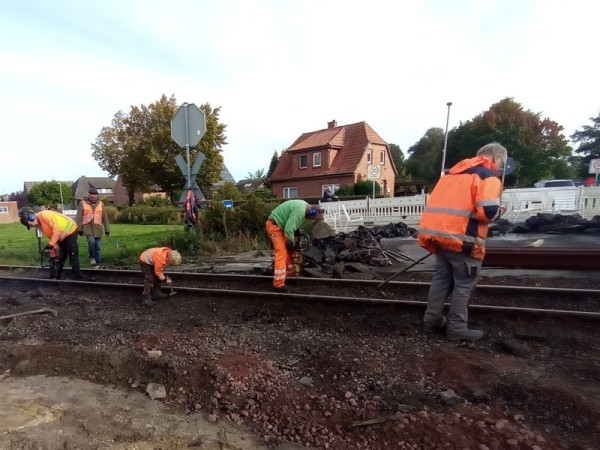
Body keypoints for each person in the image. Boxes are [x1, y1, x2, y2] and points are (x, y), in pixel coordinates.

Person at [418, 142, 507, 341]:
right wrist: (499, 212)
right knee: (464, 284)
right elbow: (486, 213)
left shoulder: (451, 175)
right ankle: (457, 330)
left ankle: (430, 321)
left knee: (441, 279)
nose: (501, 168)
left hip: (438, 238)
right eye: (501, 163)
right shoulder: (487, 176)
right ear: (497, 158)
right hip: (463, 240)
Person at [265, 200, 324, 292]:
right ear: (311, 212)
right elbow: (289, 229)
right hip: (275, 226)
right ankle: (278, 284)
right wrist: (291, 242)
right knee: (282, 253)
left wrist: (295, 238)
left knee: (289, 253)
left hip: (282, 227)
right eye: (313, 217)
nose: (312, 220)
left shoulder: (304, 208)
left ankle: (288, 275)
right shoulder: (300, 211)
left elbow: (294, 225)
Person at [19, 209, 91, 280]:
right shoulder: (39, 225)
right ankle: (57, 276)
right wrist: (55, 245)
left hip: (70, 230)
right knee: (60, 255)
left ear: (31, 218)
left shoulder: (45, 215)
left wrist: (51, 244)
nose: (31, 226)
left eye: (29, 224)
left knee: (72, 253)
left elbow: (57, 228)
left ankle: (77, 275)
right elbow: (49, 234)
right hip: (60, 235)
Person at [76, 187, 110, 268]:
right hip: (88, 228)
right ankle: (92, 257)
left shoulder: (101, 204)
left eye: (95, 197)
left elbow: (104, 217)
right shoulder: (82, 203)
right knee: (91, 242)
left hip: (98, 228)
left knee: (98, 247)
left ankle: (97, 264)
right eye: (92, 197)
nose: (94, 199)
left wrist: (107, 229)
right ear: (89, 196)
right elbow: (79, 217)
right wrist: (79, 229)